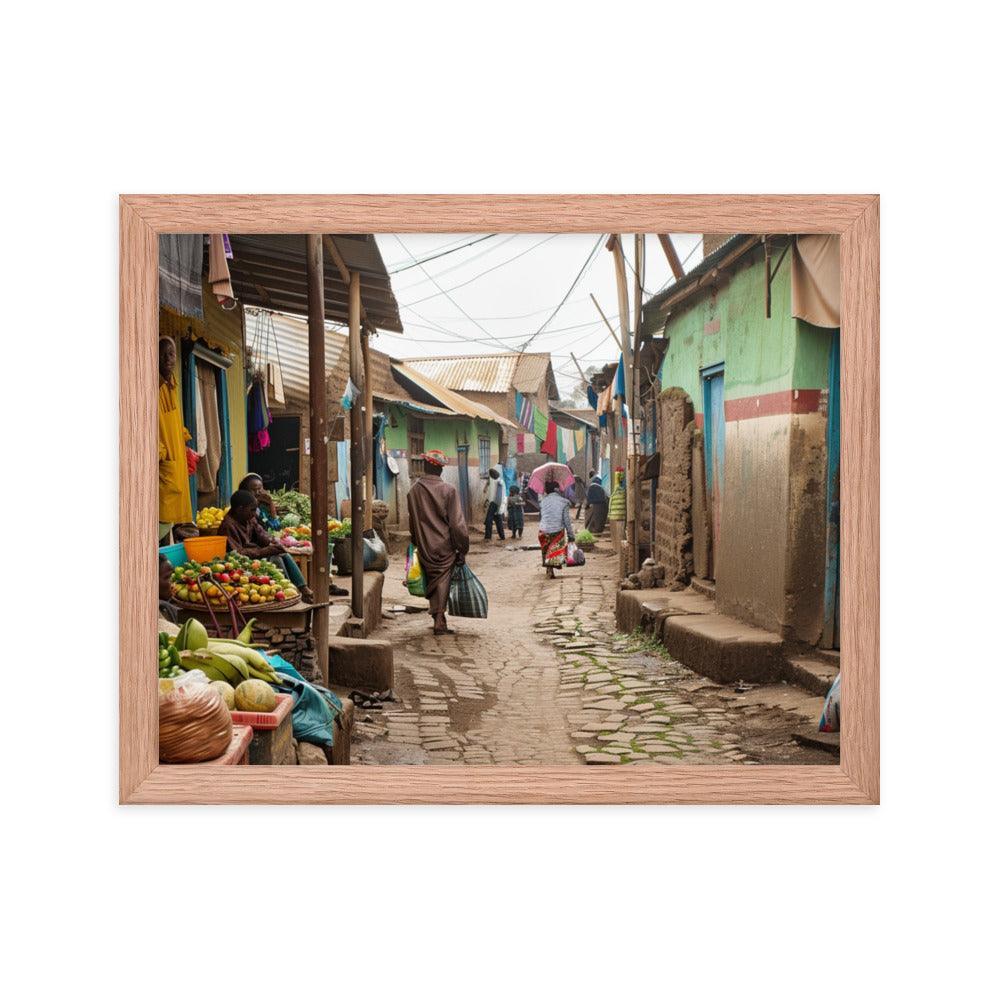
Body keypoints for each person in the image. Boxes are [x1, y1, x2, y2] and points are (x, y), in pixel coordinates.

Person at [407, 450, 470, 635]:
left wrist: (416, 541)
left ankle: (437, 615)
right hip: (444, 545)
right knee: (442, 579)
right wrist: (462, 548)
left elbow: (412, 522)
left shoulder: (413, 491)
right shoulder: (448, 490)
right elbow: (457, 525)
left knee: (433, 580)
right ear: (440, 470)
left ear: (425, 467)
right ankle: (440, 618)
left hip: (424, 544)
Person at [158, 337, 193, 542]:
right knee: (160, 525)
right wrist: (162, 453)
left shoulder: (171, 384)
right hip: (163, 467)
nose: (168, 359)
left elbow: (173, 423)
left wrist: (184, 442)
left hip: (175, 466)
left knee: (169, 527)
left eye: (172, 354)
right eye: (163, 354)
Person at [538, 479, 574, 579]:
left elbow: (542, 516)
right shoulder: (564, 502)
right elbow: (566, 521)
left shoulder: (543, 501)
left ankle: (548, 567)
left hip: (543, 531)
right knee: (554, 548)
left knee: (546, 549)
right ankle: (551, 566)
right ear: (557, 489)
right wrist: (571, 535)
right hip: (556, 532)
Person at [483, 464, 506, 541]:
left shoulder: (498, 482)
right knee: (498, 520)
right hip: (498, 503)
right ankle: (502, 536)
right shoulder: (500, 481)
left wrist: (498, 505)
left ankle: (488, 537)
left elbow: (498, 496)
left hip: (495, 503)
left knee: (488, 520)